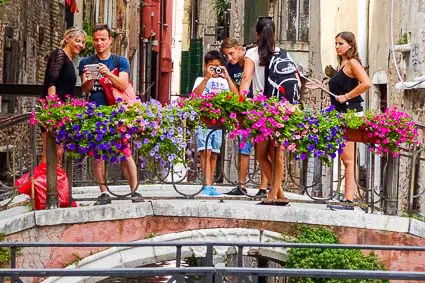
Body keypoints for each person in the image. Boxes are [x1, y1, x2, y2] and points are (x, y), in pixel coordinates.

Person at [79, 24, 142, 205]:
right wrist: (90, 79)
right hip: (96, 111)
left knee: (125, 152)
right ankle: (104, 192)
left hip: (117, 112)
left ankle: (134, 191)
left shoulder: (120, 61)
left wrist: (107, 74)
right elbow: (85, 89)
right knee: (98, 154)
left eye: (103, 39)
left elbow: (123, 84)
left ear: (110, 41)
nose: (99, 43)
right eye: (96, 39)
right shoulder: (85, 62)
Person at [306, 31, 371, 203]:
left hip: (349, 112)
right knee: (344, 157)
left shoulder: (353, 63)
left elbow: (367, 83)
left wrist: (347, 96)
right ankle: (347, 195)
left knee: (348, 158)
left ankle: (349, 199)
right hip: (339, 113)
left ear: (350, 45)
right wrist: (322, 85)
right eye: (336, 43)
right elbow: (338, 86)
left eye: (340, 43)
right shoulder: (341, 64)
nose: (337, 47)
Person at [239, 17, 297, 205]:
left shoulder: (252, 54)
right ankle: (278, 193)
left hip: (261, 110)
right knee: (278, 153)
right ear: (274, 34)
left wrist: (240, 104)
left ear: (256, 34)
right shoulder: (283, 54)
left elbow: (246, 80)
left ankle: (274, 193)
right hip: (282, 109)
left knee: (262, 155)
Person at [220, 38, 268, 197]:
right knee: (244, 148)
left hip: (258, 108)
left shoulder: (252, 58)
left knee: (262, 151)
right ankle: (242, 185)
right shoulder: (231, 67)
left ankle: (263, 187)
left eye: (231, 54)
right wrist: (228, 78)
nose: (230, 58)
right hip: (244, 111)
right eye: (227, 56)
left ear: (240, 49)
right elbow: (235, 93)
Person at [192, 50, 238, 196]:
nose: (215, 70)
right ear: (206, 66)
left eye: (217, 67)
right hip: (204, 122)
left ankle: (210, 184)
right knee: (205, 152)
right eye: (212, 66)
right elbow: (194, 97)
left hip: (219, 123)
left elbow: (236, 96)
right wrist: (207, 78)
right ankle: (207, 184)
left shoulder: (224, 81)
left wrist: (227, 77)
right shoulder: (200, 80)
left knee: (214, 154)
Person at [41, 27, 87, 165]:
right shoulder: (59, 55)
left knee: (58, 152)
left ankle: (55, 185)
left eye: (83, 42)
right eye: (77, 40)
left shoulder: (69, 60)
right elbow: (51, 81)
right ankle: (41, 185)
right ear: (67, 39)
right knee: (50, 151)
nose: (80, 45)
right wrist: (52, 110)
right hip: (55, 111)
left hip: (63, 111)